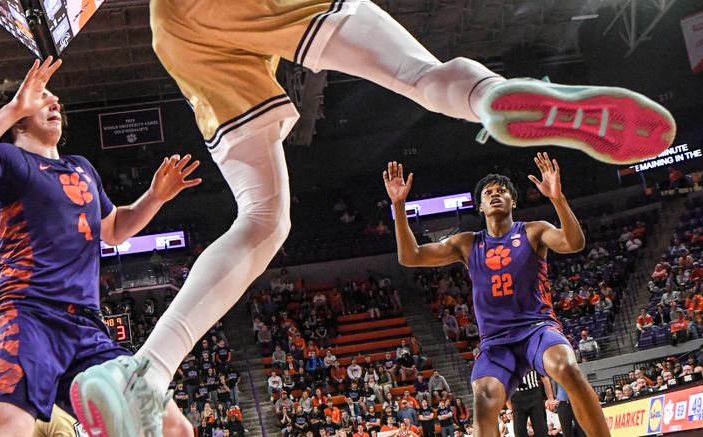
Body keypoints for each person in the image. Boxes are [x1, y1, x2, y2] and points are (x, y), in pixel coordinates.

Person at [72, 0, 675, 433]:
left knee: (262, 219)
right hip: (508, 336)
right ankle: (488, 96)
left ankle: (145, 374)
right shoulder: (477, 239)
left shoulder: (493, 238)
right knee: (420, 77)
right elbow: (420, 257)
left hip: (178, 23)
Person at [0, 58, 200, 437]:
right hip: (27, 315)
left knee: (175, 428)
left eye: (56, 99)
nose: (55, 103)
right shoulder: (9, 160)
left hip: (87, 325)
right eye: (43, 98)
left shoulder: (82, 168)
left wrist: (154, 197)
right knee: (2, 428)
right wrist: (10, 110)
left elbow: (115, 230)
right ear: (20, 115)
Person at [383, 153, 609, 437]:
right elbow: (410, 256)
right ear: (480, 206)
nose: (495, 194)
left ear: (513, 202)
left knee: (566, 366)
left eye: (502, 191)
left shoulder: (533, 230)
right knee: (483, 398)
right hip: (496, 342)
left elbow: (574, 243)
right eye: (488, 192)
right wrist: (399, 206)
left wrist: (557, 198)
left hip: (536, 329)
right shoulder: (467, 243)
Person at [509, 371, 554, 437]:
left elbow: (544, 377)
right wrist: (508, 402)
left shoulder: (532, 360)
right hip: (517, 397)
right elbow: (505, 382)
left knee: (541, 430)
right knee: (519, 432)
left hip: (534, 394)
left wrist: (550, 398)